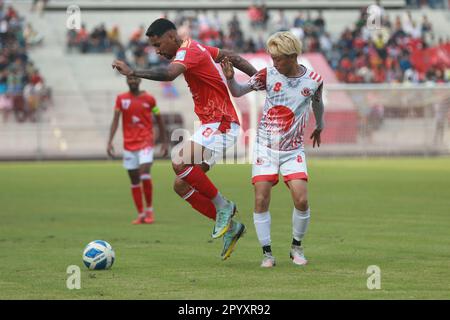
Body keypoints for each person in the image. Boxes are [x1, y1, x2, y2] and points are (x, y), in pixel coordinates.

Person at [112, 18, 257, 260]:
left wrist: (133, 71)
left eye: (158, 45)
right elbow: (234, 57)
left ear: (171, 36)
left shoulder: (188, 51)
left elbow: (170, 75)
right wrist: (259, 79)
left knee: (179, 161)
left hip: (221, 122)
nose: (158, 51)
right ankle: (232, 228)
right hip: (211, 125)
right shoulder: (198, 47)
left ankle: (224, 206)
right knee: (181, 185)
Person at [221, 31, 325, 267]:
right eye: (272, 57)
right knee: (261, 199)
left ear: (292, 56)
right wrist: (229, 79)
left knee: (301, 199)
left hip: (293, 150)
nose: (274, 62)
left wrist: (320, 125)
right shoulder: (267, 75)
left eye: (278, 58)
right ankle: (267, 254)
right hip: (265, 148)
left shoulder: (314, 80)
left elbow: (318, 104)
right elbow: (238, 91)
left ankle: (296, 248)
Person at [107, 75, 169, 225]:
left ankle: (150, 211)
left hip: (146, 141)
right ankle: (141, 214)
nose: (133, 81)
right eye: (130, 79)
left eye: (135, 79)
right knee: (134, 179)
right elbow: (116, 119)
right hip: (129, 144)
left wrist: (164, 141)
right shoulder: (121, 99)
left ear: (140, 81)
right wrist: (110, 141)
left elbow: (159, 119)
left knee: (144, 173)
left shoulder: (150, 99)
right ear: (127, 81)